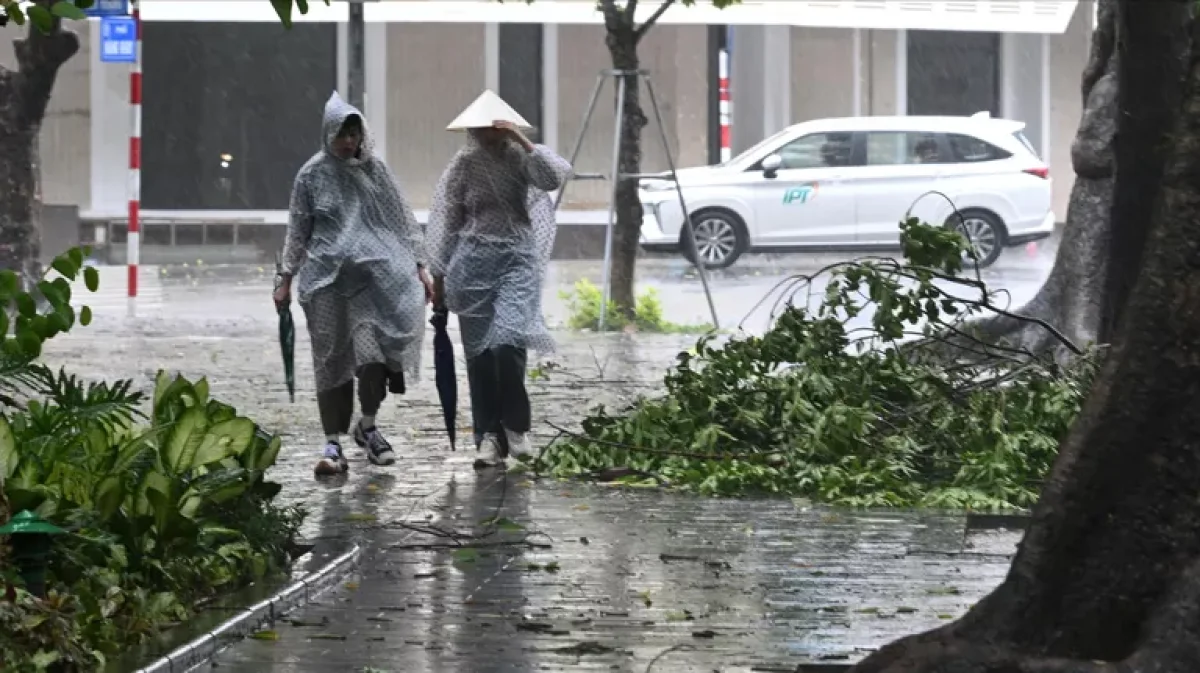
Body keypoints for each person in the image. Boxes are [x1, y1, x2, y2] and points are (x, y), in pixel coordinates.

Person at [275, 91, 432, 476]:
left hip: (371, 283)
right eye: (341, 134)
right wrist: (285, 279)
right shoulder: (311, 176)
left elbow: (402, 220)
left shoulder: (375, 172)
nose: (348, 142)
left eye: (354, 134)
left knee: (372, 359)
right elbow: (299, 230)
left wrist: (421, 266)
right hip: (325, 283)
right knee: (332, 363)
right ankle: (333, 442)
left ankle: (369, 425)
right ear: (328, 134)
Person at [426, 90, 572, 466]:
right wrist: (438, 279)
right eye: (481, 128)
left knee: (507, 342)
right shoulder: (462, 166)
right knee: (480, 355)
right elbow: (446, 222)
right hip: (472, 266)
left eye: (495, 127)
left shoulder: (519, 157)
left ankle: (516, 427)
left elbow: (554, 176)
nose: (488, 135)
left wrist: (522, 140)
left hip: (517, 259)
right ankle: (488, 435)